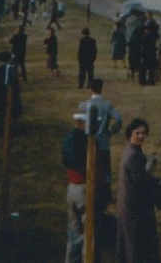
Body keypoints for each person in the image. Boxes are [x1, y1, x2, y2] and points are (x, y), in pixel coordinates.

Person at [115, 118, 161, 263]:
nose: (141, 136)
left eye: (144, 133)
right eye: (138, 133)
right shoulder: (134, 155)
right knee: (135, 248)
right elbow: (140, 180)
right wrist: (158, 182)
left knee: (128, 247)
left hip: (128, 207)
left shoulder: (130, 150)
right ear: (131, 133)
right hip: (134, 209)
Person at [79, 79, 124, 206]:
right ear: (101, 88)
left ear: (91, 89)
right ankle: (106, 194)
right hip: (103, 142)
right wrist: (111, 131)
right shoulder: (107, 105)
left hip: (89, 142)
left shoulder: (85, 105)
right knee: (105, 169)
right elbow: (118, 119)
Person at [63, 112, 92, 263]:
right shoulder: (87, 141)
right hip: (83, 188)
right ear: (82, 123)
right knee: (88, 232)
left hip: (71, 187)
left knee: (73, 231)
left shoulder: (67, 139)